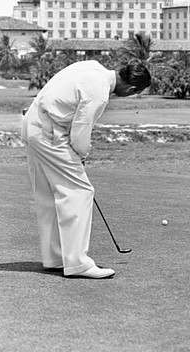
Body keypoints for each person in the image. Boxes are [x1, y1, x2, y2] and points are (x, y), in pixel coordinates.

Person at [22, 59, 152, 279]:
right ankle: (77, 264)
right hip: (49, 130)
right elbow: (81, 132)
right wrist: (80, 155)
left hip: (32, 122)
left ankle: (56, 258)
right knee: (80, 191)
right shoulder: (99, 92)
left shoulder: (92, 66)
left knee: (49, 193)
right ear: (131, 89)